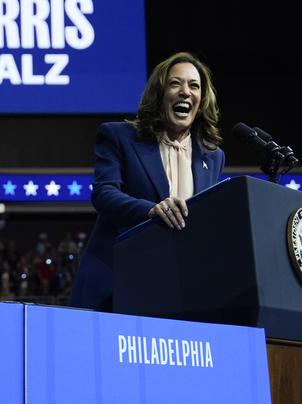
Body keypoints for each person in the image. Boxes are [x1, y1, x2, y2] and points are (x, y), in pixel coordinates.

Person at [69, 51, 225, 311]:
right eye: (175, 83)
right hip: (118, 284)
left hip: (177, 289)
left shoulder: (213, 156)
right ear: (159, 92)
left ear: (202, 100)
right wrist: (150, 209)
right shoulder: (119, 136)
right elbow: (104, 193)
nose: (185, 92)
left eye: (194, 86)